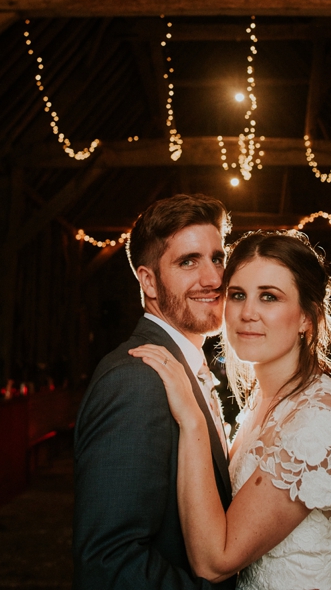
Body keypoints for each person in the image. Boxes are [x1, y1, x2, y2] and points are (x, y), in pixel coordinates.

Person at [131, 230, 331, 590]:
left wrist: (192, 418)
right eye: (238, 295)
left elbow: (216, 562)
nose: (247, 313)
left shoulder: (320, 420)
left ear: (307, 317)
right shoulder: (264, 404)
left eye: (269, 297)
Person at [73, 194, 235, 590]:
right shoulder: (136, 380)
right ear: (148, 280)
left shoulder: (184, 366)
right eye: (188, 262)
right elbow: (110, 563)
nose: (214, 279)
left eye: (217, 257)